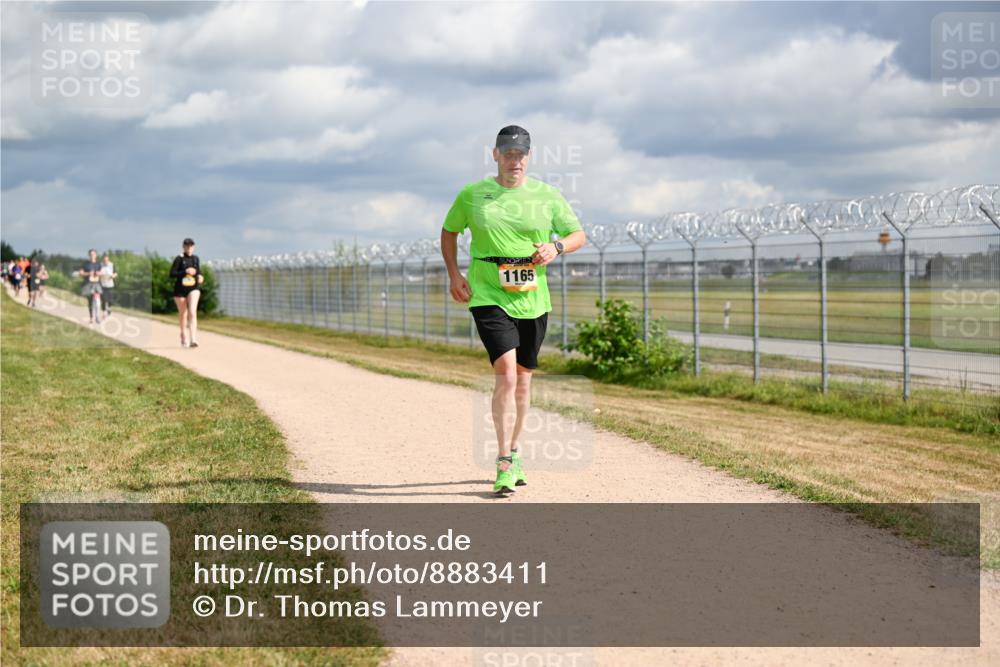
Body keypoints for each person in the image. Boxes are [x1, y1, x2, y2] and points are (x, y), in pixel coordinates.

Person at [440, 125, 586, 495]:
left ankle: (516, 450)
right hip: (488, 292)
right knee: (505, 374)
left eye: (520, 154)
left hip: (533, 298)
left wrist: (556, 248)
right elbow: (449, 231)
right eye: (507, 153)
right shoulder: (473, 195)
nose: (513, 160)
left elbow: (577, 235)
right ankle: (503, 460)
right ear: (495, 155)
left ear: (529, 156)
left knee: (522, 381)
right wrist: (455, 273)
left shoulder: (547, 196)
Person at [170, 238, 203, 348]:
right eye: (187, 246)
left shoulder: (196, 259)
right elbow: (172, 273)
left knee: (192, 312)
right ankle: (183, 334)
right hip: (180, 290)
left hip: (193, 288)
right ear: (183, 247)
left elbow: (198, 271)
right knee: (183, 313)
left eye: (191, 246)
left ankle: (193, 339)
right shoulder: (179, 259)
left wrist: (200, 276)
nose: (189, 248)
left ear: (193, 247)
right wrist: (185, 271)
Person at [78, 249, 103, 324]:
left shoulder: (98, 264)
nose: (92, 255)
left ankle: (97, 317)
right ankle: (91, 317)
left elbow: (102, 272)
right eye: (91, 254)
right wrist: (89, 273)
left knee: (97, 301)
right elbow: (81, 273)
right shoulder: (86, 264)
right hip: (88, 284)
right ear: (89, 255)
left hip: (97, 284)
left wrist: (99, 273)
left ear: (96, 255)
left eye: (93, 254)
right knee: (90, 302)